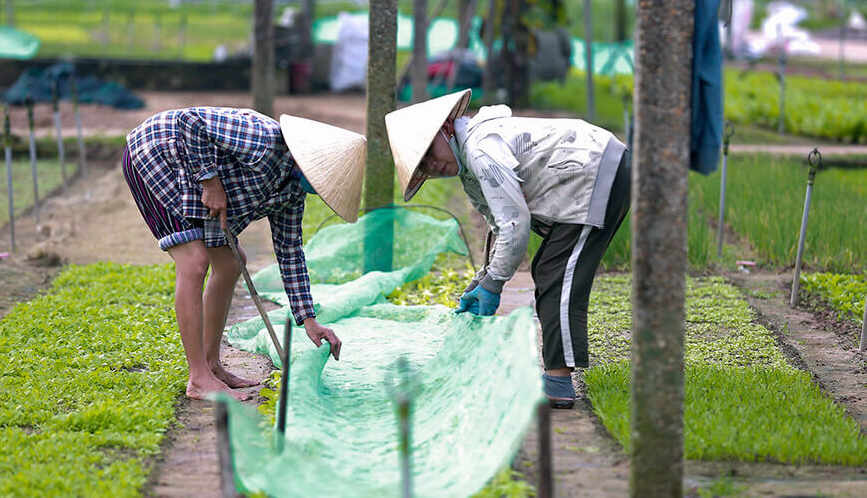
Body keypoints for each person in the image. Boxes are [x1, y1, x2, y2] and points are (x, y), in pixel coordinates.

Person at [385, 90, 630, 409]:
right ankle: (557, 376)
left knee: (558, 274)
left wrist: (495, 283)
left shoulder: (481, 150)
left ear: (446, 129)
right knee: (549, 269)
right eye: (423, 165)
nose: (432, 165)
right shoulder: (470, 165)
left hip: (595, 172)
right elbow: (499, 224)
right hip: (588, 175)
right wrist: (483, 278)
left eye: (430, 152)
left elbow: (515, 222)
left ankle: (559, 381)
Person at [124, 107, 365, 401]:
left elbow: (290, 253)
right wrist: (210, 181)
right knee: (194, 261)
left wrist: (308, 319)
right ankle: (198, 378)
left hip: (190, 177)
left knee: (230, 263)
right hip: (156, 156)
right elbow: (190, 122)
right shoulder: (263, 140)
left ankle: (211, 365)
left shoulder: (292, 193)